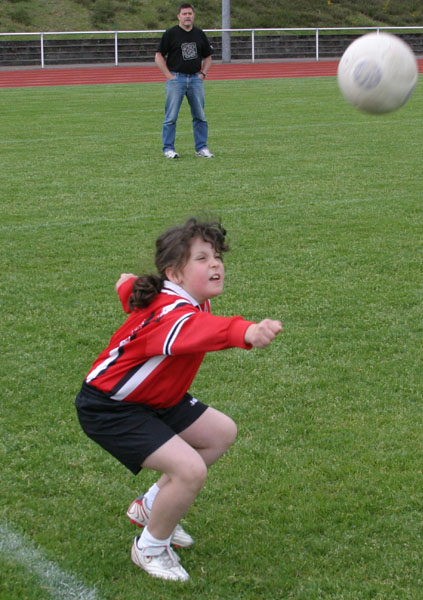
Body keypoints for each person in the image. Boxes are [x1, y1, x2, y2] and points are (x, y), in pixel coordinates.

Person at [75, 218, 282, 582]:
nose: (215, 263)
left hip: (156, 399)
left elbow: (133, 291)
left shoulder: (179, 297)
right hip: (111, 407)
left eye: (216, 256)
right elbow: (202, 331)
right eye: (202, 258)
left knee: (220, 433)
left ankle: (150, 506)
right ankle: (150, 548)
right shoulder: (174, 314)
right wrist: (246, 331)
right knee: (189, 470)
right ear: (175, 274)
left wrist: (126, 284)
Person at [155, 3, 214, 159]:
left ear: (193, 15)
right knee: (171, 117)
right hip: (177, 79)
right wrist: (169, 76)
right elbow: (159, 55)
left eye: (190, 13)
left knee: (200, 116)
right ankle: (168, 148)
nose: (187, 16)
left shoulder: (200, 34)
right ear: (178, 16)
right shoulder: (171, 34)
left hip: (195, 79)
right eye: (184, 14)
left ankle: (201, 148)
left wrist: (203, 73)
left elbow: (208, 57)